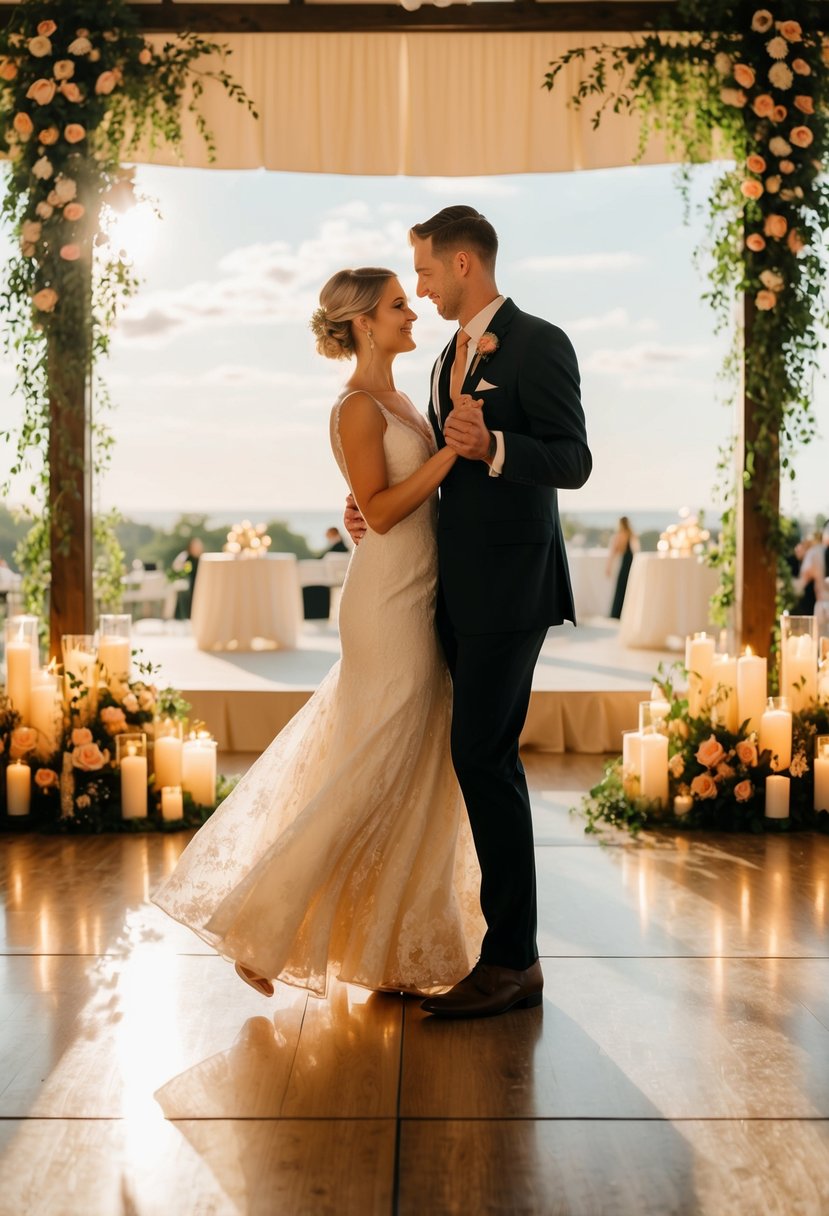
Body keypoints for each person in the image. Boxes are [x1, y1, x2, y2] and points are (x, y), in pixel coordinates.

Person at [153, 266, 484, 1000]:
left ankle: (394, 951)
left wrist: (422, 468)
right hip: (386, 605)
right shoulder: (355, 407)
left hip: (420, 594)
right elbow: (385, 508)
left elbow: (379, 504)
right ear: (363, 321)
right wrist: (448, 455)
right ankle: (258, 924)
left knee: (414, 771)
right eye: (398, 304)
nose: (411, 312)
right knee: (371, 769)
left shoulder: (402, 395)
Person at [347, 206, 591, 1017]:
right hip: (446, 590)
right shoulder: (445, 355)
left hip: (511, 592)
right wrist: (372, 510)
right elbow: (430, 474)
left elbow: (573, 460)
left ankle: (513, 960)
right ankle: (477, 943)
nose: (416, 287)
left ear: (461, 264)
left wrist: (495, 448)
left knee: (485, 760)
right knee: (470, 760)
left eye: (421, 271)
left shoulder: (538, 341)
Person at [607, 516, 638, 619]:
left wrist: (608, 567)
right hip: (631, 563)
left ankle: (617, 613)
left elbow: (614, 552)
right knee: (628, 587)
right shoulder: (631, 534)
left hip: (626, 564)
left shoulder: (620, 535)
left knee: (621, 587)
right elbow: (636, 550)